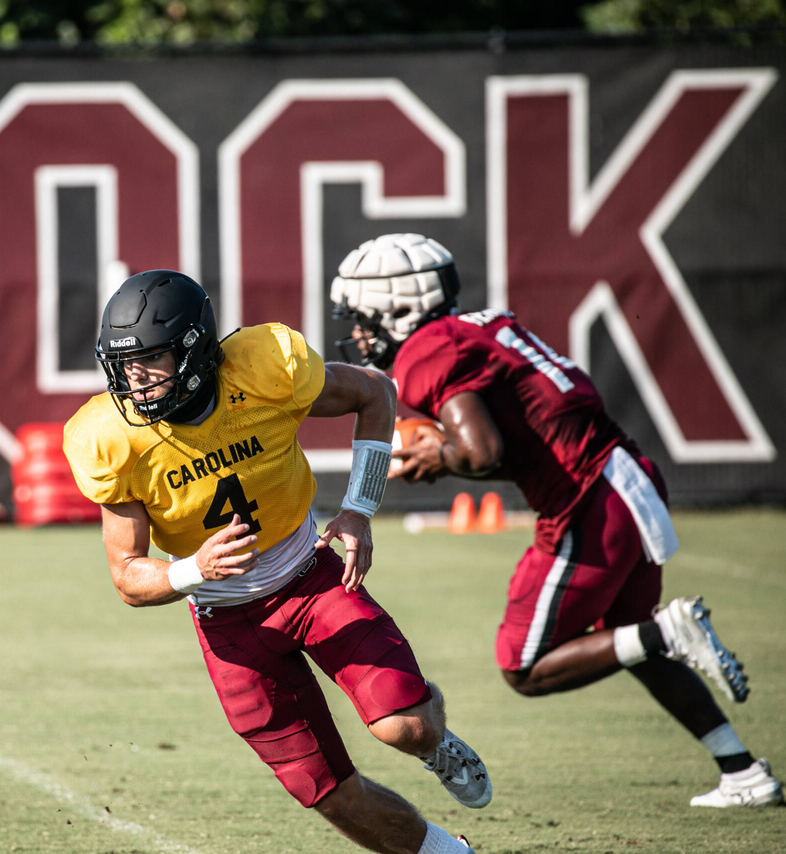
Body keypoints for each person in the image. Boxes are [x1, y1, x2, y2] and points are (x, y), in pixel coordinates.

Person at [330, 232, 782, 809]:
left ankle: (671, 631)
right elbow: (521, 441)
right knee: (631, 640)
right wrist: (451, 455)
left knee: (525, 665)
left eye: (366, 316)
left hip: (586, 499)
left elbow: (481, 450)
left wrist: (438, 456)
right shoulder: (483, 324)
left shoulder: (427, 350)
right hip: (627, 474)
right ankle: (741, 770)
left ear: (398, 306)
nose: (362, 331)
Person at [64, 269, 488, 854]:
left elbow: (375, 393)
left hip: (309, 578)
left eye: (150, 361)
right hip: (228, 625)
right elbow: (128, 576)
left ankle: (437, 744)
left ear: (193, 349)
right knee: (324, 789)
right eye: (123, 365)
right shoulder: (112, 437)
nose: (133, 381)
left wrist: (359, 508)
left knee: (407, 727)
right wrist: (193, 570)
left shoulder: (262, 370)